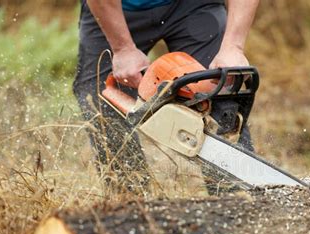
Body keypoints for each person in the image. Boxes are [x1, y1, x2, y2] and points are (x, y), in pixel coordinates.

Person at [73, 0, 259, 194]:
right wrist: (122, 49)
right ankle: (128, 203)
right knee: (100, 101)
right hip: (115, 9)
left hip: (193, 6)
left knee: (218, 93)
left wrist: (233, 47)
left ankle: (238, 199)